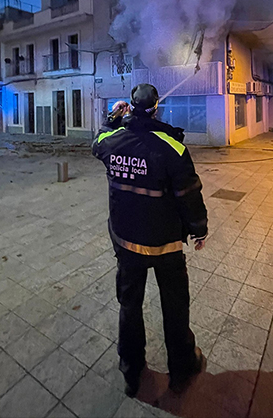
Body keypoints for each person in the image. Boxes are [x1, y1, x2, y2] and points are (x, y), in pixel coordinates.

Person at [92, 83, 208, 397]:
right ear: (156, 107)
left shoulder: (112, 140)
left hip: (126, 241)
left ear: (129, 106)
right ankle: (182, 366)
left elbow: (97, 142)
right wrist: (200, 228)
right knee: (175, 305)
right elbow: (188, 194)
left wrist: (112, 118)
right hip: (166, 245)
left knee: (129, 305)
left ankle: (131, 370)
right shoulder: (172, 147)